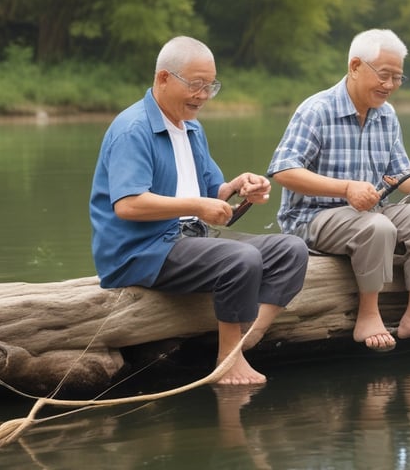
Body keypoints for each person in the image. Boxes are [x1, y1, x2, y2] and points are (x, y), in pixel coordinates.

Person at [90, 36, 308, 385]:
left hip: (190, 240)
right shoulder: (133, 129)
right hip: (141, 251)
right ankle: (227, 360)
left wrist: (240, 188)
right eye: (195, 85)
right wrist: (198, 206)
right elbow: (128, 205)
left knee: (291, 249)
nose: (203, 95)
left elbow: (211, 193)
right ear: (163, 78)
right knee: (240, 258)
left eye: (210, 86)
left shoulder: (192, 128)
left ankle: (248, 336)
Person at [267, 28, 410, 351]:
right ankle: (368, 316)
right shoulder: (317, 110)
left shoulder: (387, 115)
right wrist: (345, 189)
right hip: (312, 220)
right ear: (355, 66)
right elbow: (283, 170)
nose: (390, 86)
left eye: (397, 78)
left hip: (368, 215)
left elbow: (404, 177)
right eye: (384, 75)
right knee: (377, 225)